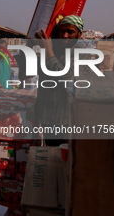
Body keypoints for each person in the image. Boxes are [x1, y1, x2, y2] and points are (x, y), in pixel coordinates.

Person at [34, 15, 88, 146]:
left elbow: (65, 78)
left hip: (66, 120)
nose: (65, 36)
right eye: (62, 31)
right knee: (52, 155)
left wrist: (48, 50)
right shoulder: (54, 50)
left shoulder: (81, 54)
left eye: (70, 32)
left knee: (65, 157)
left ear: (79, 34)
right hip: (47, 116)